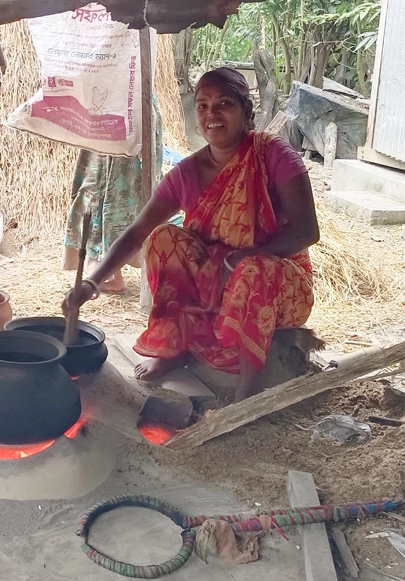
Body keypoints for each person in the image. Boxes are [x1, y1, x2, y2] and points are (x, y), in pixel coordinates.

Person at [64, 68, 318, 402]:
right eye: (202, 106)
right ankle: (176, 351)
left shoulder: (272, 155)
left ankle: (246, 390)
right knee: (163, 240)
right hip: (215, 278)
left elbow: (307, 231)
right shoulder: (187, 172)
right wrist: (92, 282)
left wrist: (247, 255)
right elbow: (138, 232)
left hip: (278, 283)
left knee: (253, 269)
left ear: (246, 110)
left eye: (224, 104)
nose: (211, 114)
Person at [62, 102, 162, 293]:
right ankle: (108, 273)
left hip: (130, 119)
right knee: (94, 191)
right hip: (107, 116)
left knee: (120, 197)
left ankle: (108, 273)